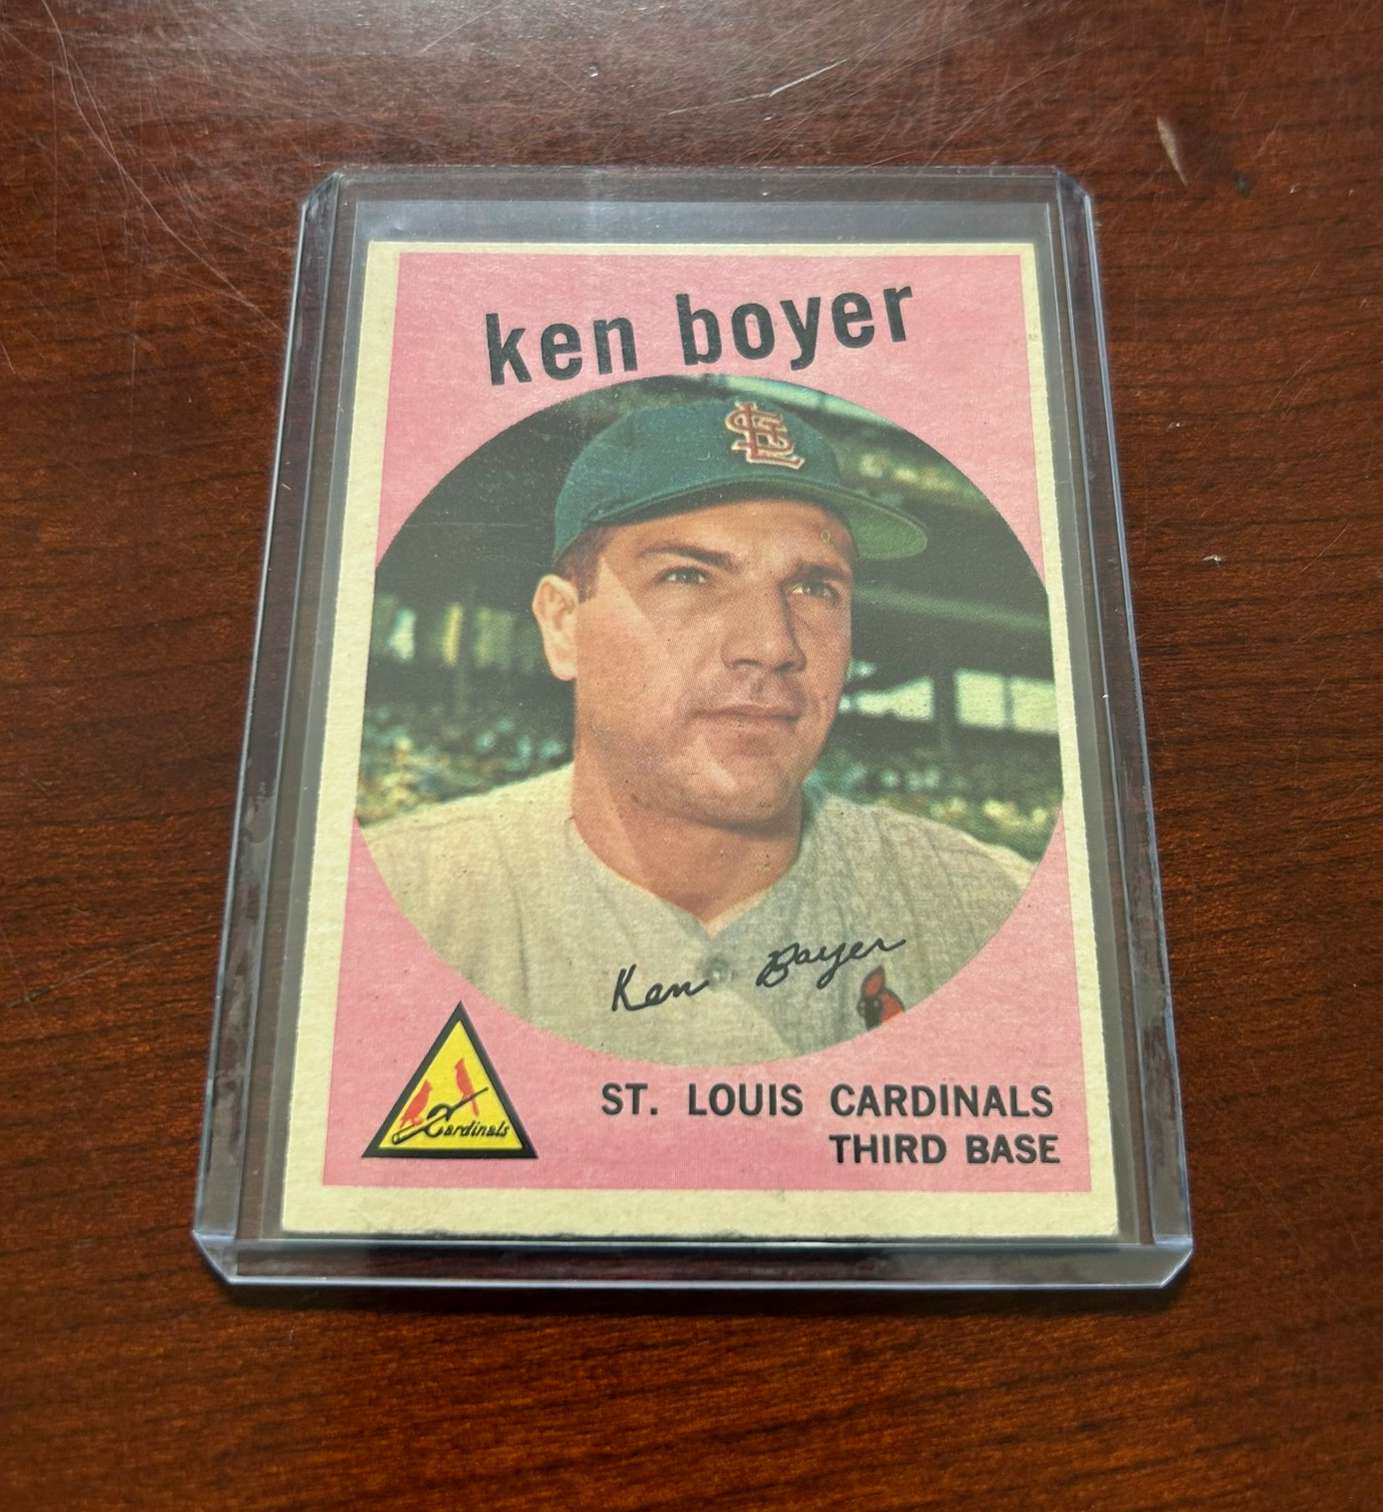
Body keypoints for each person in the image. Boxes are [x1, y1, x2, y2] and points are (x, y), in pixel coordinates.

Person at [365, 395, 1030, 1064]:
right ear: (564, 625)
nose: (772, 644)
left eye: (815, 589)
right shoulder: (395, 903)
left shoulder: (992, 906)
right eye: (687, 575)